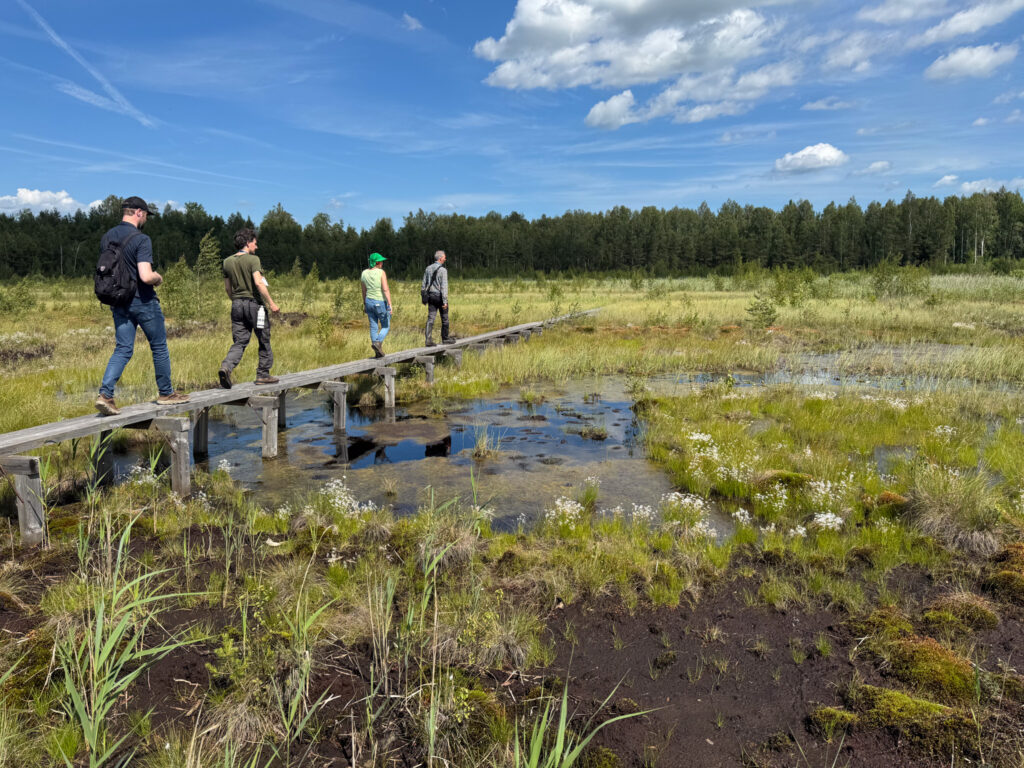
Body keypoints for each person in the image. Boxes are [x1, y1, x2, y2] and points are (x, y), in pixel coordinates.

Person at [95, 196, 189, 416]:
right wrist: (159, 277)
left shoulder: (107, 237)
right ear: (138, 212)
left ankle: (105, 395)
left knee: (123, 348)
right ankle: (166, 393)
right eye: (146, 214)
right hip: (142, 300)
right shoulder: (141, 239)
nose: (146, 218)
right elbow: (145, 276)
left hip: (118, 300)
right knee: (158, 346)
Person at [218, 227, 281, 388]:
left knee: (240, 341)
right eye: (255, 243)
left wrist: (237, 301)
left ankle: (226, 367)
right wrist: (272, 303)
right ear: (247, 243)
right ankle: (263, 374)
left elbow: (227, 288)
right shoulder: (254, 260)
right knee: (263, 338)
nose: (256, 246)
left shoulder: (227, 262)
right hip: (256, 307)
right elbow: (259, 283)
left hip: (237, 305)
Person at [360, 252, 393, 358]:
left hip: (369, 301)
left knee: (373, 326)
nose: (382, 263)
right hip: (380, 301)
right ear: (378, 262)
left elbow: (363, 290)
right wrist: (390, 304)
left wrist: (365, 303)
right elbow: (385, 289)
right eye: (381, 261)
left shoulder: (364, 273)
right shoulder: (381, 272)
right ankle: (378, 343)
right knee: (386, 325)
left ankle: (377, 352)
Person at [422, 249, 454, 346]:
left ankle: (428, 340)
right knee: (445, 318)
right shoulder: (443, 270)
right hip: (439, 297)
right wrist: (444, 301)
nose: (445, 259)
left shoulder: (428, 268)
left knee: (431, 318)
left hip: (431, 296)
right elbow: (444, 286)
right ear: (440, 258)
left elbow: (424, 284)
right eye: (444, 257)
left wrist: (424, 296)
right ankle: (445, 338)